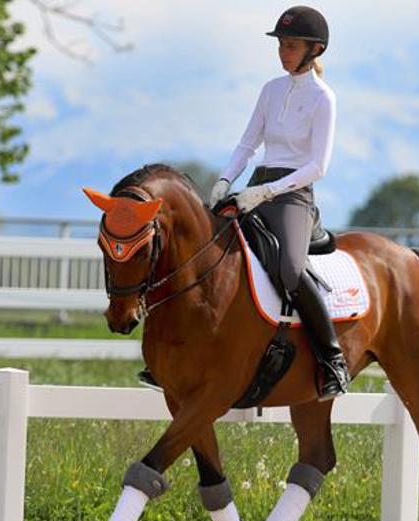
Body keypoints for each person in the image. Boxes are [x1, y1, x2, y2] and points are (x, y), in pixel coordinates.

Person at [141, 5, 349, 400]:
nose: (283, 52)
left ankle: (331, 358)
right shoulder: (271, 90)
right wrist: (223, 180)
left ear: (314, 50)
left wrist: (267, 192)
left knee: (289, 269)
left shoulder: (324, 98)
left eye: (291, 46)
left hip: (291, 196)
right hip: (255, 184)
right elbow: (248, 144)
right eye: (281, 46)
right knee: (200, 250)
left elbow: (317, 166)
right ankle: (177, 355)